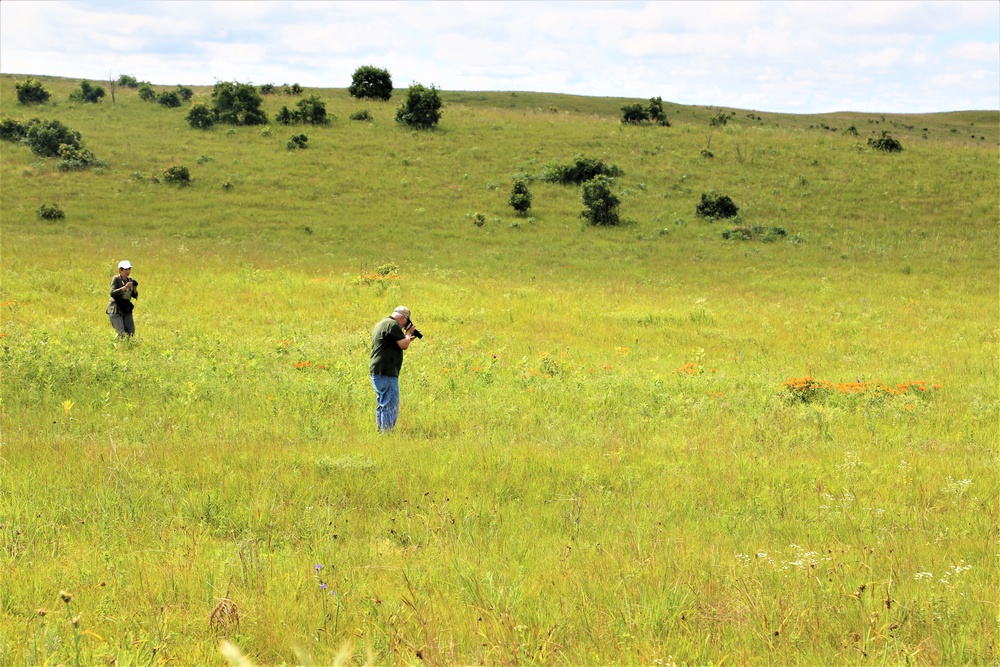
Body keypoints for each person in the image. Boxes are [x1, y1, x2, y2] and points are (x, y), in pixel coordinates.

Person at [369, 305, 418, 432]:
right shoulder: (393, 325)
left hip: (377, 370)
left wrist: (406, 338)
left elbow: (395, 342)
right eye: (406, 322)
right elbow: (404, 345)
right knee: (390, 405)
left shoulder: (382, 323)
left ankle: (381, 432)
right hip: (387, 371)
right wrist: (408, 334)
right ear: (403, 317)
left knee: (382, 404)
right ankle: (387, 434)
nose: (404, 326)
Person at [106, 260, 139, 338]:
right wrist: (125, 287)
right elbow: (112, 293)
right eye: (126, 269)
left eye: (129, 269)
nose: (128, 271)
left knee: (131, 332)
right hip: (116, 309)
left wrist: (134, 288)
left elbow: (134, 296)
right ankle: (115, 346)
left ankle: (126, 347)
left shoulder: (130, 279)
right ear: (120, 270)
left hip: (126, 308)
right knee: (121, 333)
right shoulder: (116, 279)